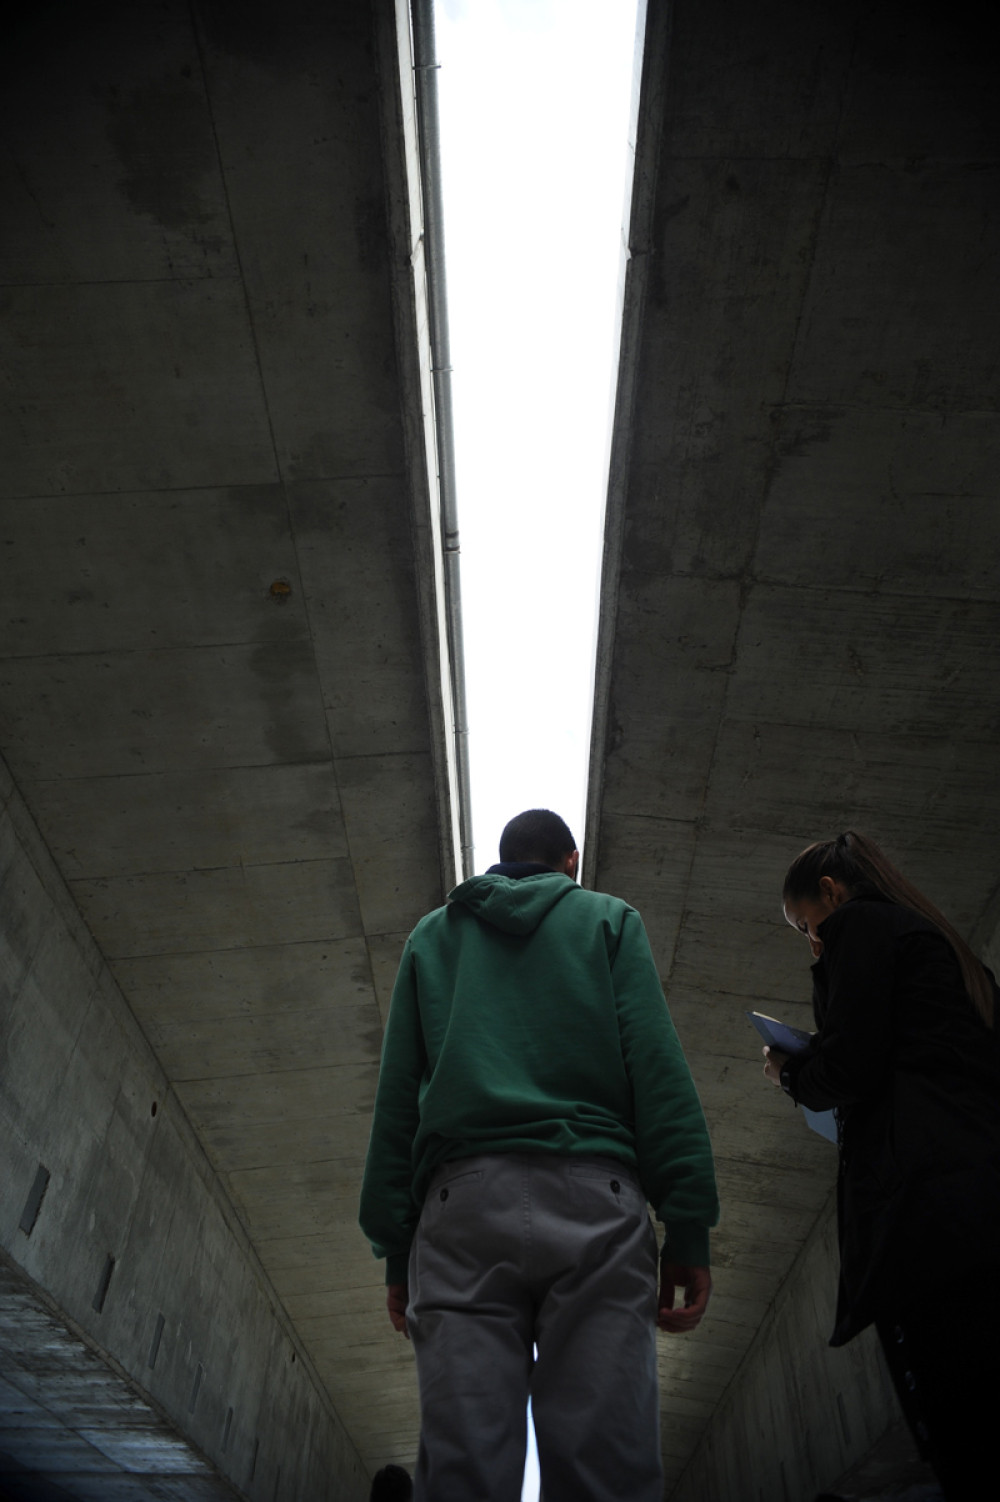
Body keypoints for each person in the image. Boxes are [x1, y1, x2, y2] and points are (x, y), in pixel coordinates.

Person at [359, 809, 719, 1502]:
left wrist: (397, 1251)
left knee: (462, 1471)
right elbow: (657, 1068)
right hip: (596, 1204)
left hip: (461, 1211)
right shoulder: (609, 921)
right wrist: (688, 1226)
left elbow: (397, 1098)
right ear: (571, 861)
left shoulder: (432, 937)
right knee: (606, 1469)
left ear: (499, 861)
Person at [763, 830, 1000, 1499]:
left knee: (957, 1422)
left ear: (831, 893)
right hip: (978, 1196)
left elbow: (852, 1066)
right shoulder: (940, 944)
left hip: (926, 1218)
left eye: (806, 926)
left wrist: (789, 1073)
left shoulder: (860, 926)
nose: (813, 944)